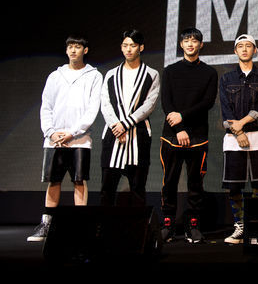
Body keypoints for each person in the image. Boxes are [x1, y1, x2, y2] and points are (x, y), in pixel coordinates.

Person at [27, 34, 103, 242]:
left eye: (77, 47)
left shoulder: (94, 76)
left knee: (79, 180)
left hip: (80, 140)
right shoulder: (55, 76)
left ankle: (80, 225)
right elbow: (46, 106)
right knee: (54, 180)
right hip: (55, 139)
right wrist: (51, 132)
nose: (73, 50)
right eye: (70, 47)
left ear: (85, 50)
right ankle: (47, 224)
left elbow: (92, 109)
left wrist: (73, 132)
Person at [159, 27, 218, 243]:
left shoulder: (209, 72)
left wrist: (182, 117)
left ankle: (193, 226)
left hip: (198, 136)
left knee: (195, 184)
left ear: (201, 44)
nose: (190, 44)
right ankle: (168, 225)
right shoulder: (170, 71)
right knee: (169, 182)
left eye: (194, 41)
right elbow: (166, 102)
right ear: (181, 44)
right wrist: (179, 129)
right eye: (186, 40)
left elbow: (207, 102)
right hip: (172, 136)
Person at [220, 34, 258, 245]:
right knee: (234, 186)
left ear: (255, 50)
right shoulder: (226, 79)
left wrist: (241, 124)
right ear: (235, 51)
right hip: (233, 139)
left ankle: (257, 229)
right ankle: (240, 227)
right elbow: (225, 110)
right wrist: (239, 132)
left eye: (248, 46)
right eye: (240, 46)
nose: (244, 49)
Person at [99, 29, 160, 207]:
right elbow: (105, 103)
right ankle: (104, 223)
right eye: (125, 45)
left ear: (141, 47)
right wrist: (116, 126)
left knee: (138, 187)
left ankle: (138, 224)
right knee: (107, 187)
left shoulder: (151, 74)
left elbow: (149, 104)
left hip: (138, 134)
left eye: (132, 45)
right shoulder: (111, 74)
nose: (128, 49)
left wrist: (125, 124)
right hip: (113, 135)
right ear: (121, 47)